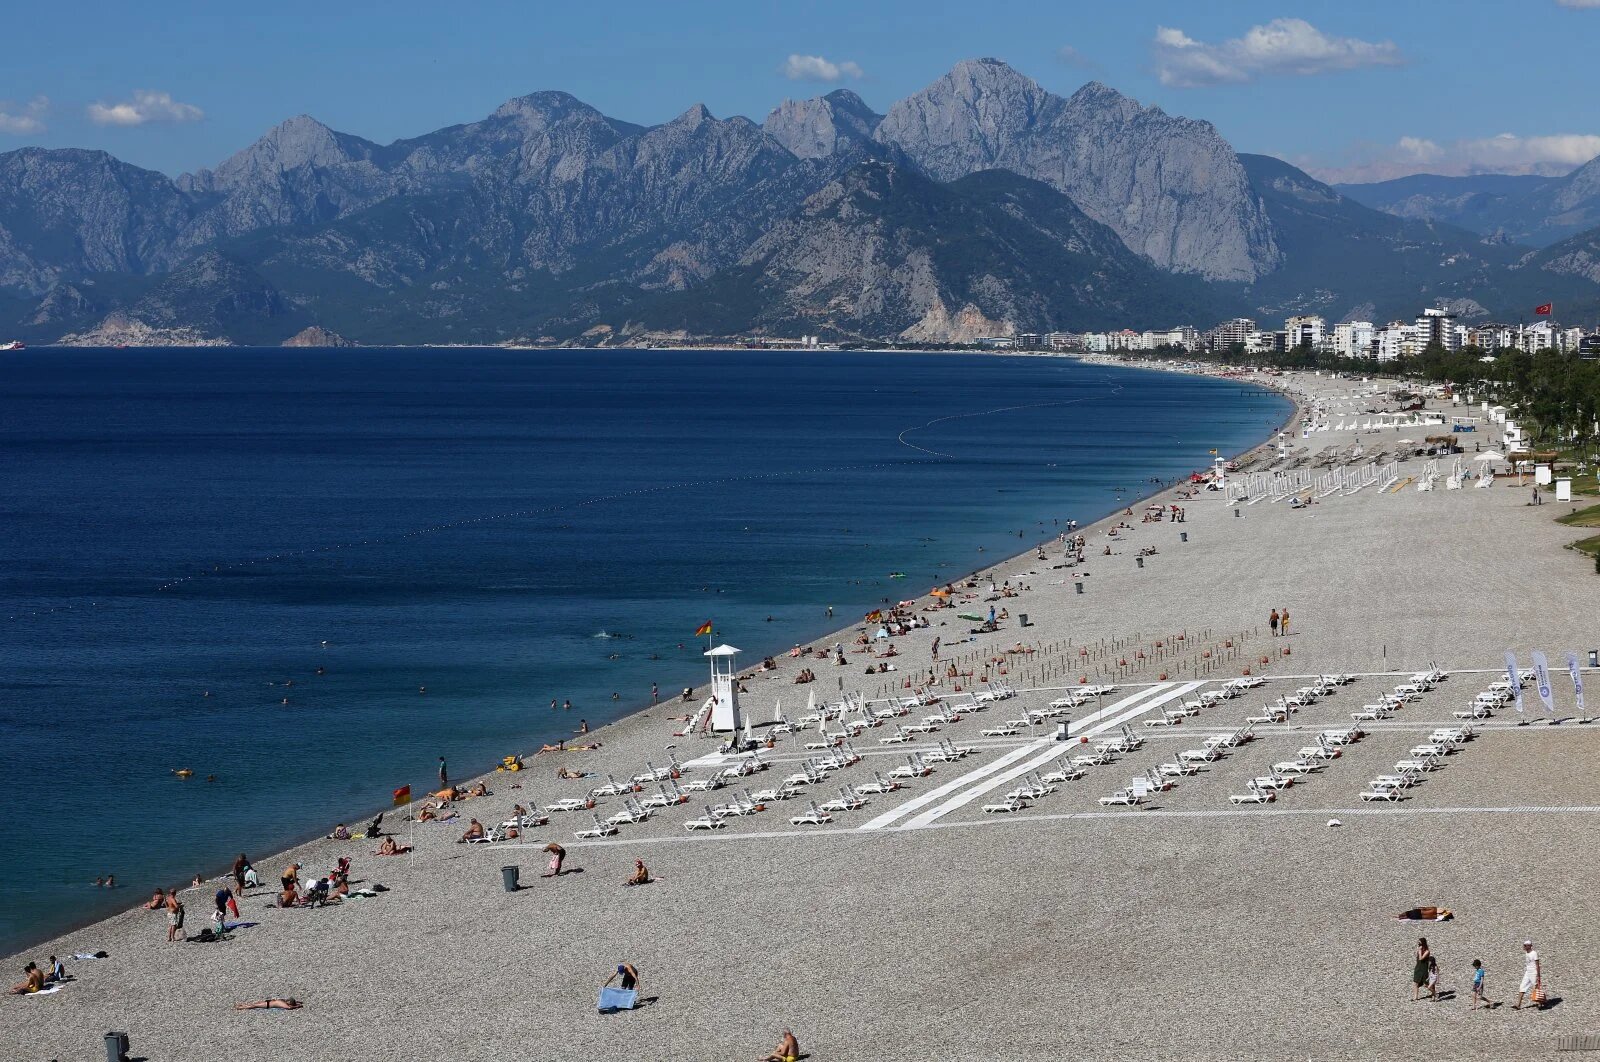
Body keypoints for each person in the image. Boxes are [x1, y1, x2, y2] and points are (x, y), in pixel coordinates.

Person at [1514, 940, 1541, 1010]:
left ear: (1529, 946)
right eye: (1524, 945)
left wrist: (1538, 975)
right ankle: (1518, 1004)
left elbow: (1537, 965)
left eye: (1525, 945)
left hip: (1533, 972)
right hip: (1527, 972)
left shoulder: (1534, 953)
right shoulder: (1526, 953)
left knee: (1536, 988)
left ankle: (1540, 1003)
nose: (1524, 947)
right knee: (1522, 986)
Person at [1412, 937, 1431, 1001]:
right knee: (1415, 982)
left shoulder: (1427, 951)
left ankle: (1434, 993)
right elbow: (1416, 957)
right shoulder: (1419, 949)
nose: (1419, 945)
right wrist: (1417, 951)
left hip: (1423, 968)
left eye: (1420, 944)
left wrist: (1420, 952)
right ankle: (1415, 997)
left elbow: (1421, 958)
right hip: (1418, 967)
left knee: (1426, 984)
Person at [234, 998, 302, 1010]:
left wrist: (297, 1006)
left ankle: (241, 1007)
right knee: (254, 1004)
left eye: (288, 1000)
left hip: (268, 1004)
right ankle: (242, 1005)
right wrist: (298, 1003)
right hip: (268, 1002)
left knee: (255, 1006)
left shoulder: (284, 1004)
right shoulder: (284, 1002)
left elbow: (289, 1008)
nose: (287, 1000)